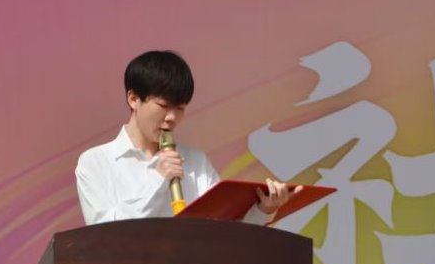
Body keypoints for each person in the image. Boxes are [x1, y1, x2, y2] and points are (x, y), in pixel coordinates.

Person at [75, 50, 299, 226]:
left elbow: (223, 235)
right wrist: (158, 179)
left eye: (180, 108)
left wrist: (263, 210)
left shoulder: (196, 162)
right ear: (133, 99)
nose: (172, 117)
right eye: (163, 105)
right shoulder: (96, 162)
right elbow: (102, 234)